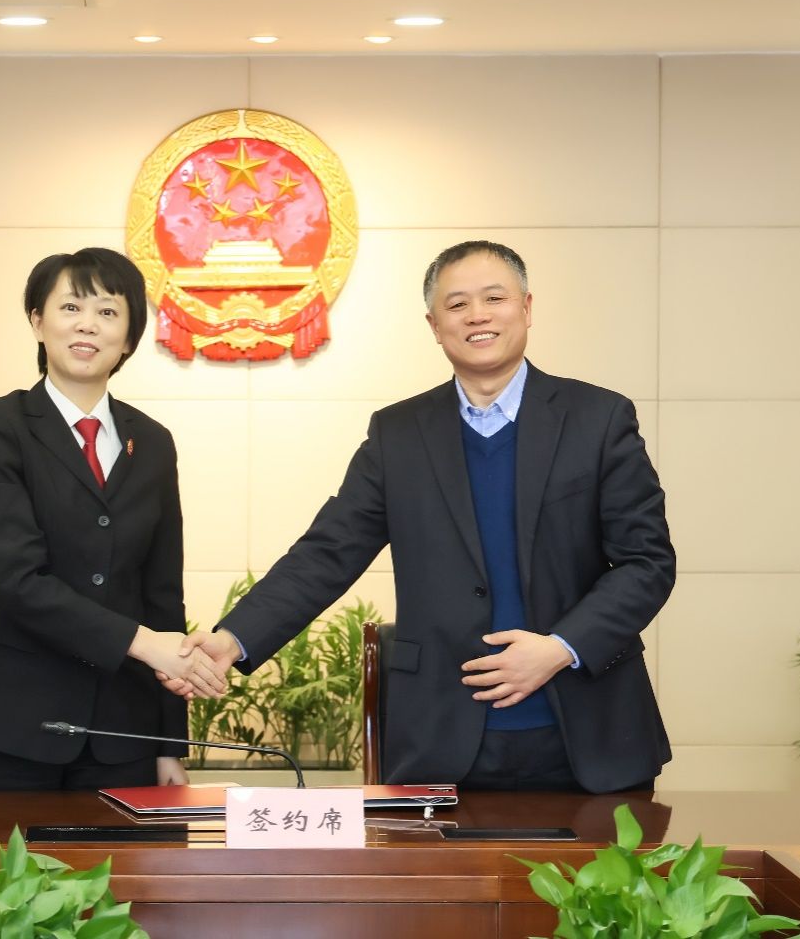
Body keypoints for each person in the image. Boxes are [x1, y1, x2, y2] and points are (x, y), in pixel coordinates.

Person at [165, 240, 675, 793]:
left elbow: (646, 563)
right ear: (434, 325)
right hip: (441, 735)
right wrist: (234, 638)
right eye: (457, 305)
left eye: (494, 298)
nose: (477, 315)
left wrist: (560, 648)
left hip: (589, 732)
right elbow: (328, 552)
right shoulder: (399, 434)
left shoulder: (598, 418)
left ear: (526, 308)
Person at [0, 247, 223, 790]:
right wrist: (142, 642)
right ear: (37, 322)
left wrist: (169, 744)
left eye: (108, 312)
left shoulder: (154, 442)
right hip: (9, 724)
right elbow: (16, 579)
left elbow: (163, 594)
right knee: (2, 853)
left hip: (124, 731)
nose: (87, 324)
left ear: (129, 338)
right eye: (71, 307)